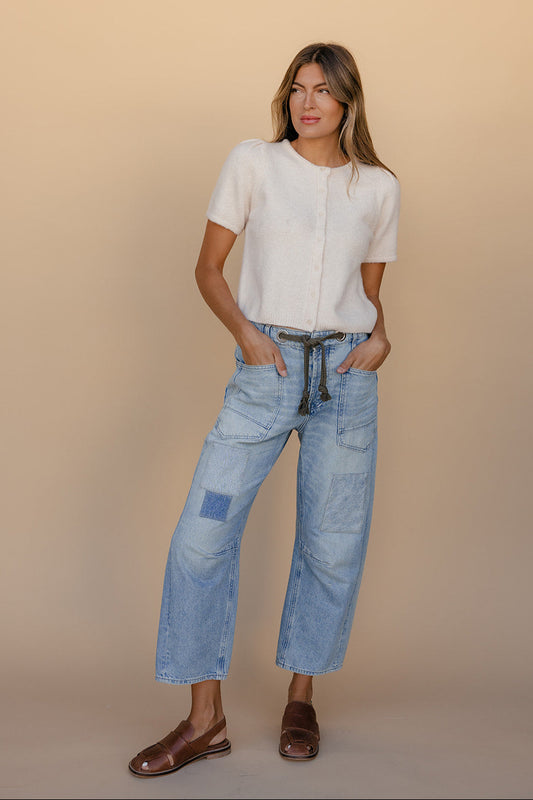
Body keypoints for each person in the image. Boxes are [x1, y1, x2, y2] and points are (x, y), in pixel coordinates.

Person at [129, 40, 401, 776]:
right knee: (201, 538)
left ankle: (301, 699)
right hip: (265, 375)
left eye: (323, 90)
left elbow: (369, 294)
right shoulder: (253, 162)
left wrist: (382, 337)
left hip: (346, 382)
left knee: (330, 546)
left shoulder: (378, 187)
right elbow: (208, 268)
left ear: (348, 102)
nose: (308, 103)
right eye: (297, 89)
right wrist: (247, 337)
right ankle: (204, 720)